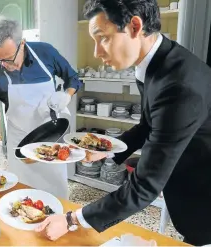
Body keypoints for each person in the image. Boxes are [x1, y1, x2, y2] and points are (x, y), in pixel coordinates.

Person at [35, 0, 211, 245]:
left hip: (203, 201)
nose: (96, 51)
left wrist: (71, 219)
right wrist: (105, 151)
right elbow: (148, 126)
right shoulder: (157, 61)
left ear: (135, 26)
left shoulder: (179, 85)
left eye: (102, 38)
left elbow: (143, 188)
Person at [0, 17, 82, 199]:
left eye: (9, 59)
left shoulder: (46, 53)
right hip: (19, 140)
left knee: (56, 193)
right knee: (22, 194)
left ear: (22, 44)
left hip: (51, 137)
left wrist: (67, 94)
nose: (5, 66)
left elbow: (73, 78)